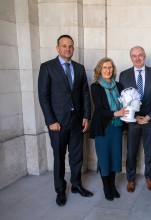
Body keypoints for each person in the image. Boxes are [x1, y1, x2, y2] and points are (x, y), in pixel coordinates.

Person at [38, 35, 93, 207]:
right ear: (57, 48)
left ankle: (76, 185)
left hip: (77, 120)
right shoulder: (47, 67)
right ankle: (60, 190)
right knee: (59, 157)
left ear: (73, 48)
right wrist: (50, 120)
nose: (67, 49)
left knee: (77, 156)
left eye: (70, 46)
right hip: (58, 123)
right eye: (64, 46)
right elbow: (43, 96)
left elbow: (85, 94)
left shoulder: (79, 68)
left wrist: (86, 116)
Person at [119, 46, 151, 192]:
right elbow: (122, 100)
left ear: (144, 56)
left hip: (150, 120)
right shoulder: (124, 75)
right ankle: (131, 180)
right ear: (130, 57)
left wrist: (150, 116)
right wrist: (131, 116)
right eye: (134, 56)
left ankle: (149, 178)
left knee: (149, 151)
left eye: (140, 55)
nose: (137, 58)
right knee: (131, 152)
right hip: (132, 122)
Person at [89, 58, 129, 201]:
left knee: (115, 158)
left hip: (117, 127)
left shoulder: (118, 85)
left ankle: (112, 186)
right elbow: (99, 109)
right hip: (103, 128)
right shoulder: (95, 87)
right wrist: (115, 113)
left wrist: (128, 110)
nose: (108, 70)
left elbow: (125, 102)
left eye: (110, 67)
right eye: (105, 67)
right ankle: (107, 188)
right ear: (99, 69)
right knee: (105, 158)